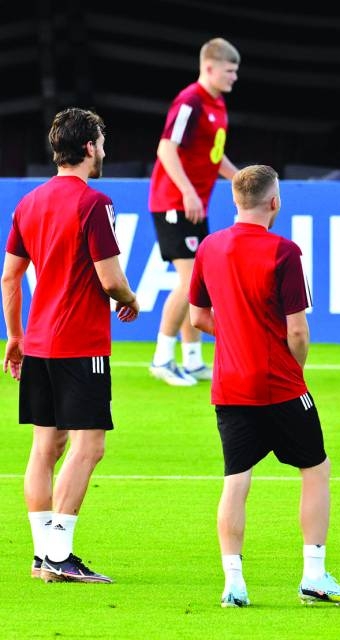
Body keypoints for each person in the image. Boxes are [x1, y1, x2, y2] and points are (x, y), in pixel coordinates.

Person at [189, 164, 340, 608]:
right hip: (281, 385)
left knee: (236, 481)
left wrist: (236, 337)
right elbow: (298, 332)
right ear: (274, 201)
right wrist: (294, 368)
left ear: (234, 201)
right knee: (315, 470)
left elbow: (198, 318)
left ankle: (233, 582)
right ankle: (314, 575)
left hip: (230, 385)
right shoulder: (283, 251)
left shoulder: (210, 247)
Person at [1, 107, 140, 583]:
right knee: (89, 447)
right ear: (88, 148)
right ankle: (58, 556)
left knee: (46, 446)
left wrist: (15, 336)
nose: (103, 150)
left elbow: (10, 277)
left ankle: (44, 555)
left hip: (38, 342)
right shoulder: (93, 203)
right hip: (80, 343)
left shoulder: (29, 203)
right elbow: (110, 278)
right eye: (101, 142)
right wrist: (129, 298)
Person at [147, 37, 241, 386]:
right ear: (210, 67)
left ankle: (192, 358)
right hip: (174, 202)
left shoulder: (218, 104)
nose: (234, 77)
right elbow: (166, 148)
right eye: (230, 71)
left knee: (197, 281)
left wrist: (243, 178)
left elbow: (214, 156)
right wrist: (187, 191)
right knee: (189, 282)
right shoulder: (190, 102)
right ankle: (161, 359)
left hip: (194, 204)